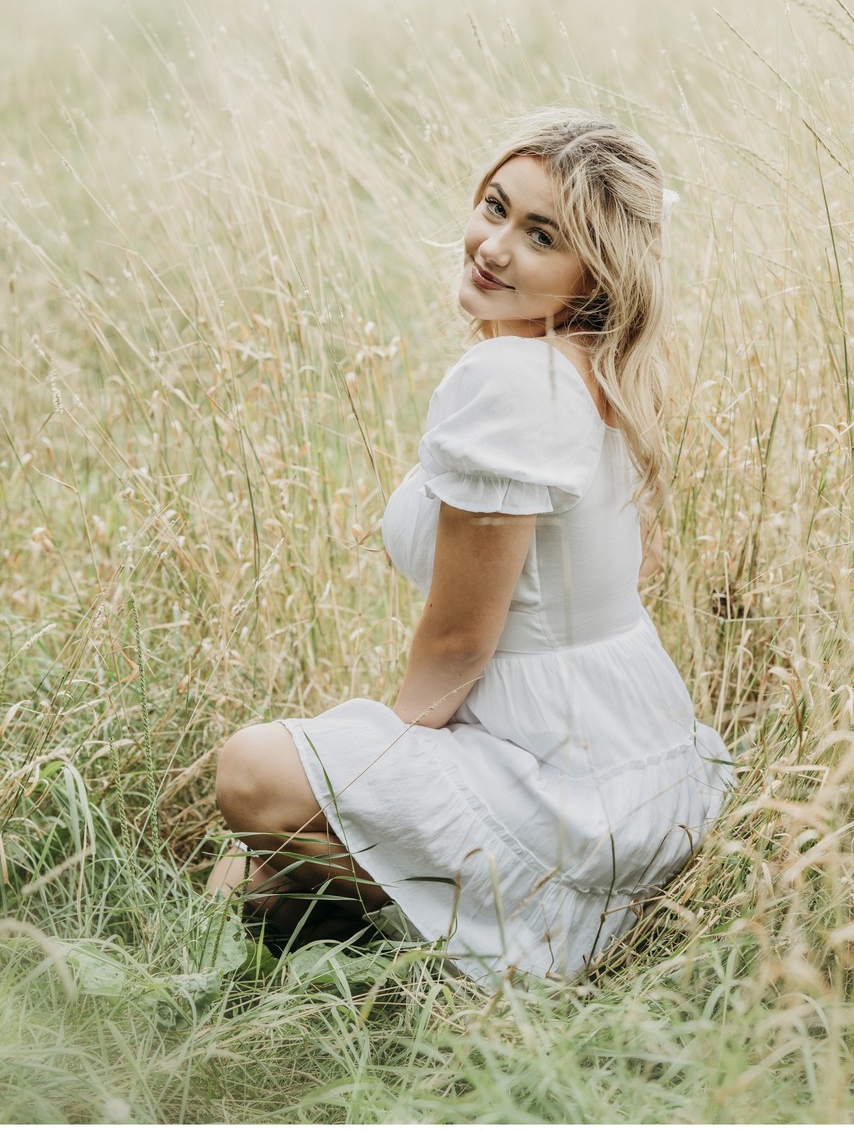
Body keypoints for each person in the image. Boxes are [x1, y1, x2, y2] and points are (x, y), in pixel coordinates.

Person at [206, 106, 736, 982]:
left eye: (540, 236)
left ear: (593, 275)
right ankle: (400, 904)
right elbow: (629, 572)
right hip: (638, 755)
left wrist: (376, 795)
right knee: (250, 876)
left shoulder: (511, 381)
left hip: (566, 781)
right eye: (495, 208)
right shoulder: (595, 365)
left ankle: (529, 929)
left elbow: (458, 644)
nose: (494, 248)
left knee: (254, 774)